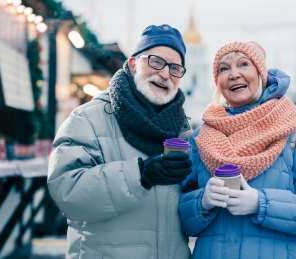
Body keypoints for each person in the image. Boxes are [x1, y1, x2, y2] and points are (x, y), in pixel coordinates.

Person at [179, 41, 296, 259]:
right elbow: (174, 213)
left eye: (243, 64)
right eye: (224, 69)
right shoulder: (201, 139)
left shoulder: (292, 132)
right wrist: (202, 203)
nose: (234, 74)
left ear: (260, 74)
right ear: (218, 82)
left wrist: (261, 203)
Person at [47, 24, 193, 259]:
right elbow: (67, 192)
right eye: (156, 61)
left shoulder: (183, 131)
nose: (165, 74)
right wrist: (141, 175)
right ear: (133, 64)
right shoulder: (87, 119)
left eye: (175, 68)